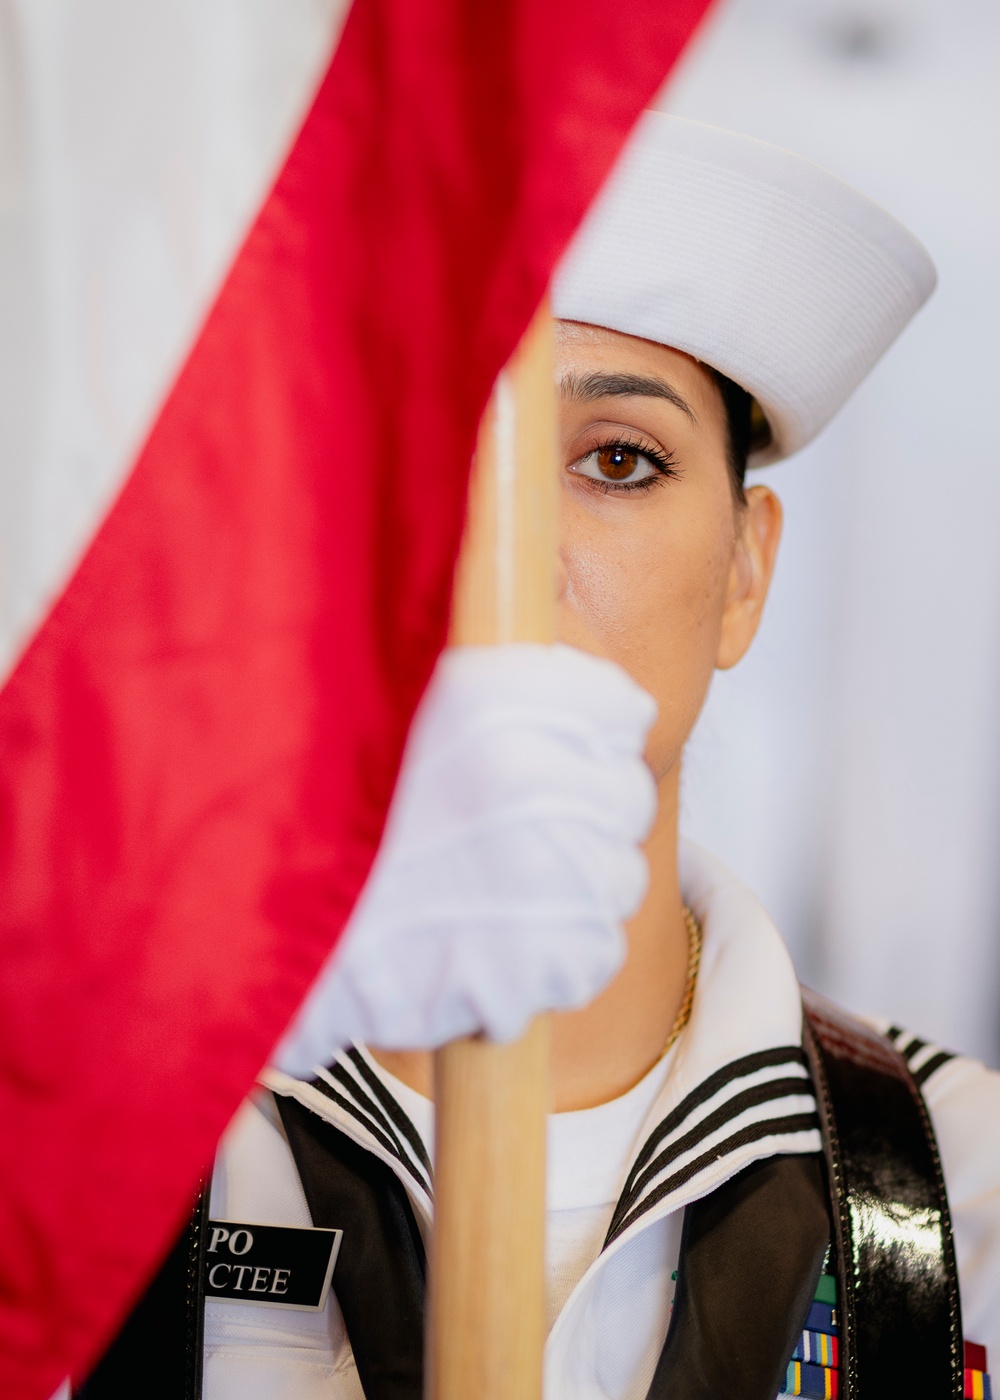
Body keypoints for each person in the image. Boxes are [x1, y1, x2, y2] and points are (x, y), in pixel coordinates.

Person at [77, 114, 1000, 1400]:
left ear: (746, 572)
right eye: (421, 444)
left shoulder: (968, 1191)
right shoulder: (76, 1142)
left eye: (619, 460)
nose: (507, 551)